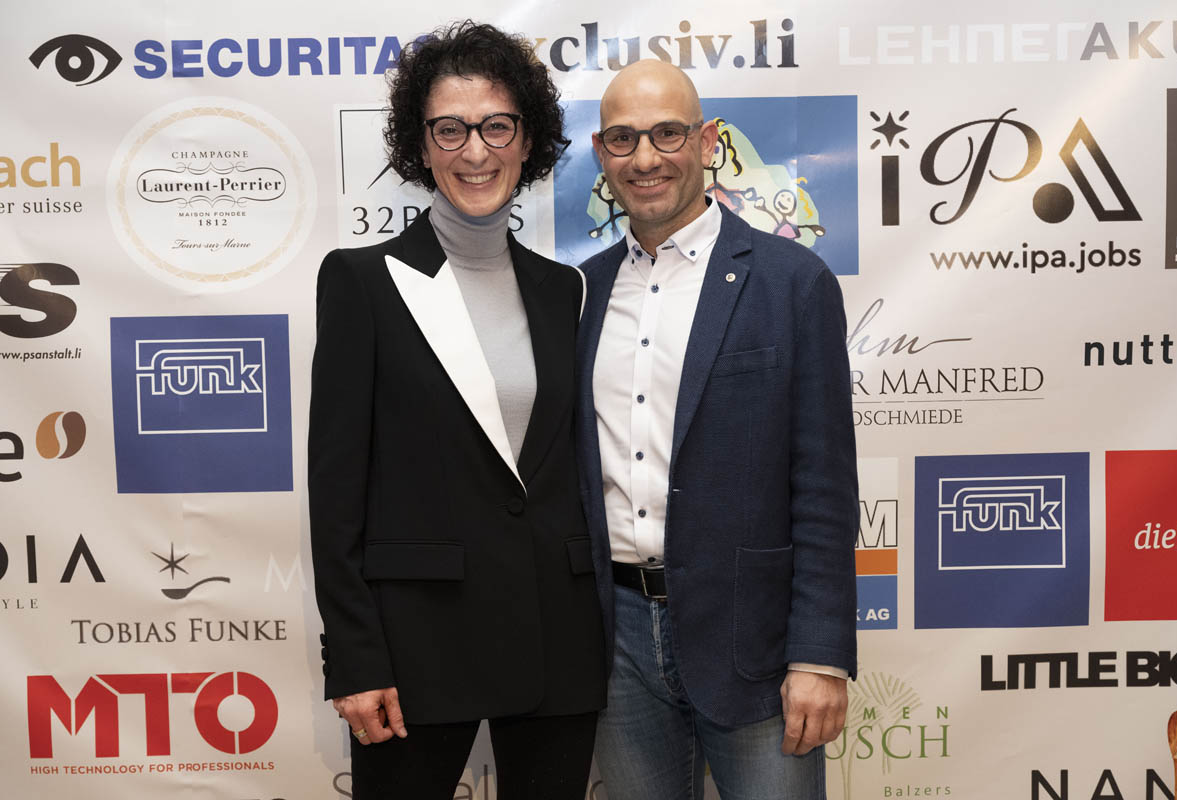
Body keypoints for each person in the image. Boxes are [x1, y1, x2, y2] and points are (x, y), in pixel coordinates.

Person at [308, 21, 605, 800]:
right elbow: (336, 496)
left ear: (527, 139)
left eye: (496, 126)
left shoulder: (563, 292)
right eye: (451, 129)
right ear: (422, 144)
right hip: (416, 646)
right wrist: (355, 658)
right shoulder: (362, 283)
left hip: (557, 636)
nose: (476, 150)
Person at [575, 59, 859, 800]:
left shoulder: (793, 282)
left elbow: (824, 487)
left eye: (667, 134)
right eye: (623, 139)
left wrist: (820, 656)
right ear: (602, 154)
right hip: (617, 644)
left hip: (755, 641)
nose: (645, 158)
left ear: (706, 142)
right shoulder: (582, 292)